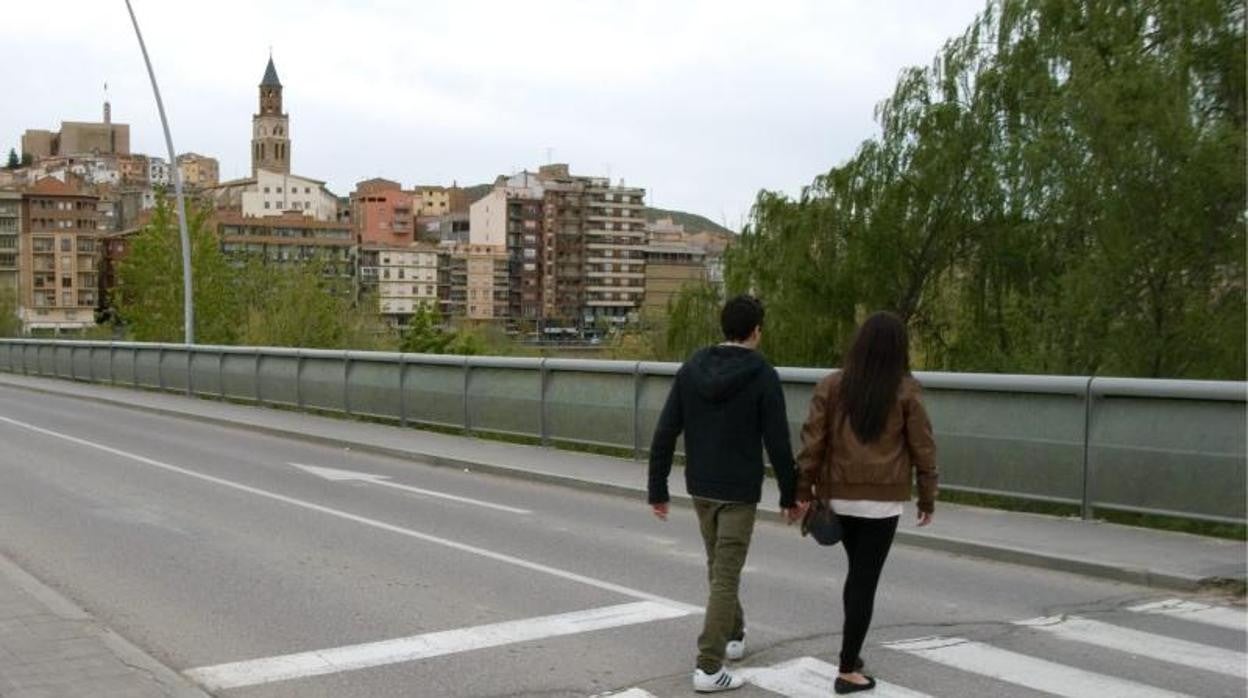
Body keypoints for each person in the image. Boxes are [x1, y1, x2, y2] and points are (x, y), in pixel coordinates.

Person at [648, 294, 804, 693]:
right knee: (725, 574)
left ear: (724, 327)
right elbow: (778, 441)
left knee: (719, 566)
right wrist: (791, 494)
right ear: (756, 331)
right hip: (738, 490)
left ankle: (734, 636)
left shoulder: (691, 368)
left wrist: (657, 487)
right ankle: (708, 665)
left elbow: (666, 431)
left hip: (700, 485)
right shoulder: (763, 374)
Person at [795, 311, 937, 695]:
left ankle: (852, 656)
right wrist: (927, 495)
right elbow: (922, 446)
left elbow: (813, 442)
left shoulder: (832, 385)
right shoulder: (907, 390)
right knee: (863, 580)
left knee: (856, 575)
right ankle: (847, 669)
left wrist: (802, 489)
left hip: (838, 497)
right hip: (882, 503)